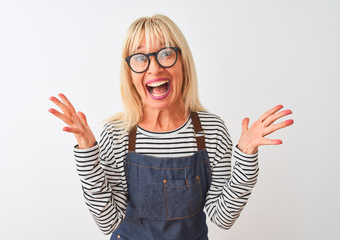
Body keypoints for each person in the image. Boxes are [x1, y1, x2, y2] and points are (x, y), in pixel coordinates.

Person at [49, 14, 293, 240]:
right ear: (130, 73)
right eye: (140, 58)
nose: (154, 68)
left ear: (183, 62)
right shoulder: (117, 133)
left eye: (165, 54)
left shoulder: (211, 130)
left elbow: (223, 218)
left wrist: (246, 155)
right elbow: (108, 221)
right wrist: (87, 150)